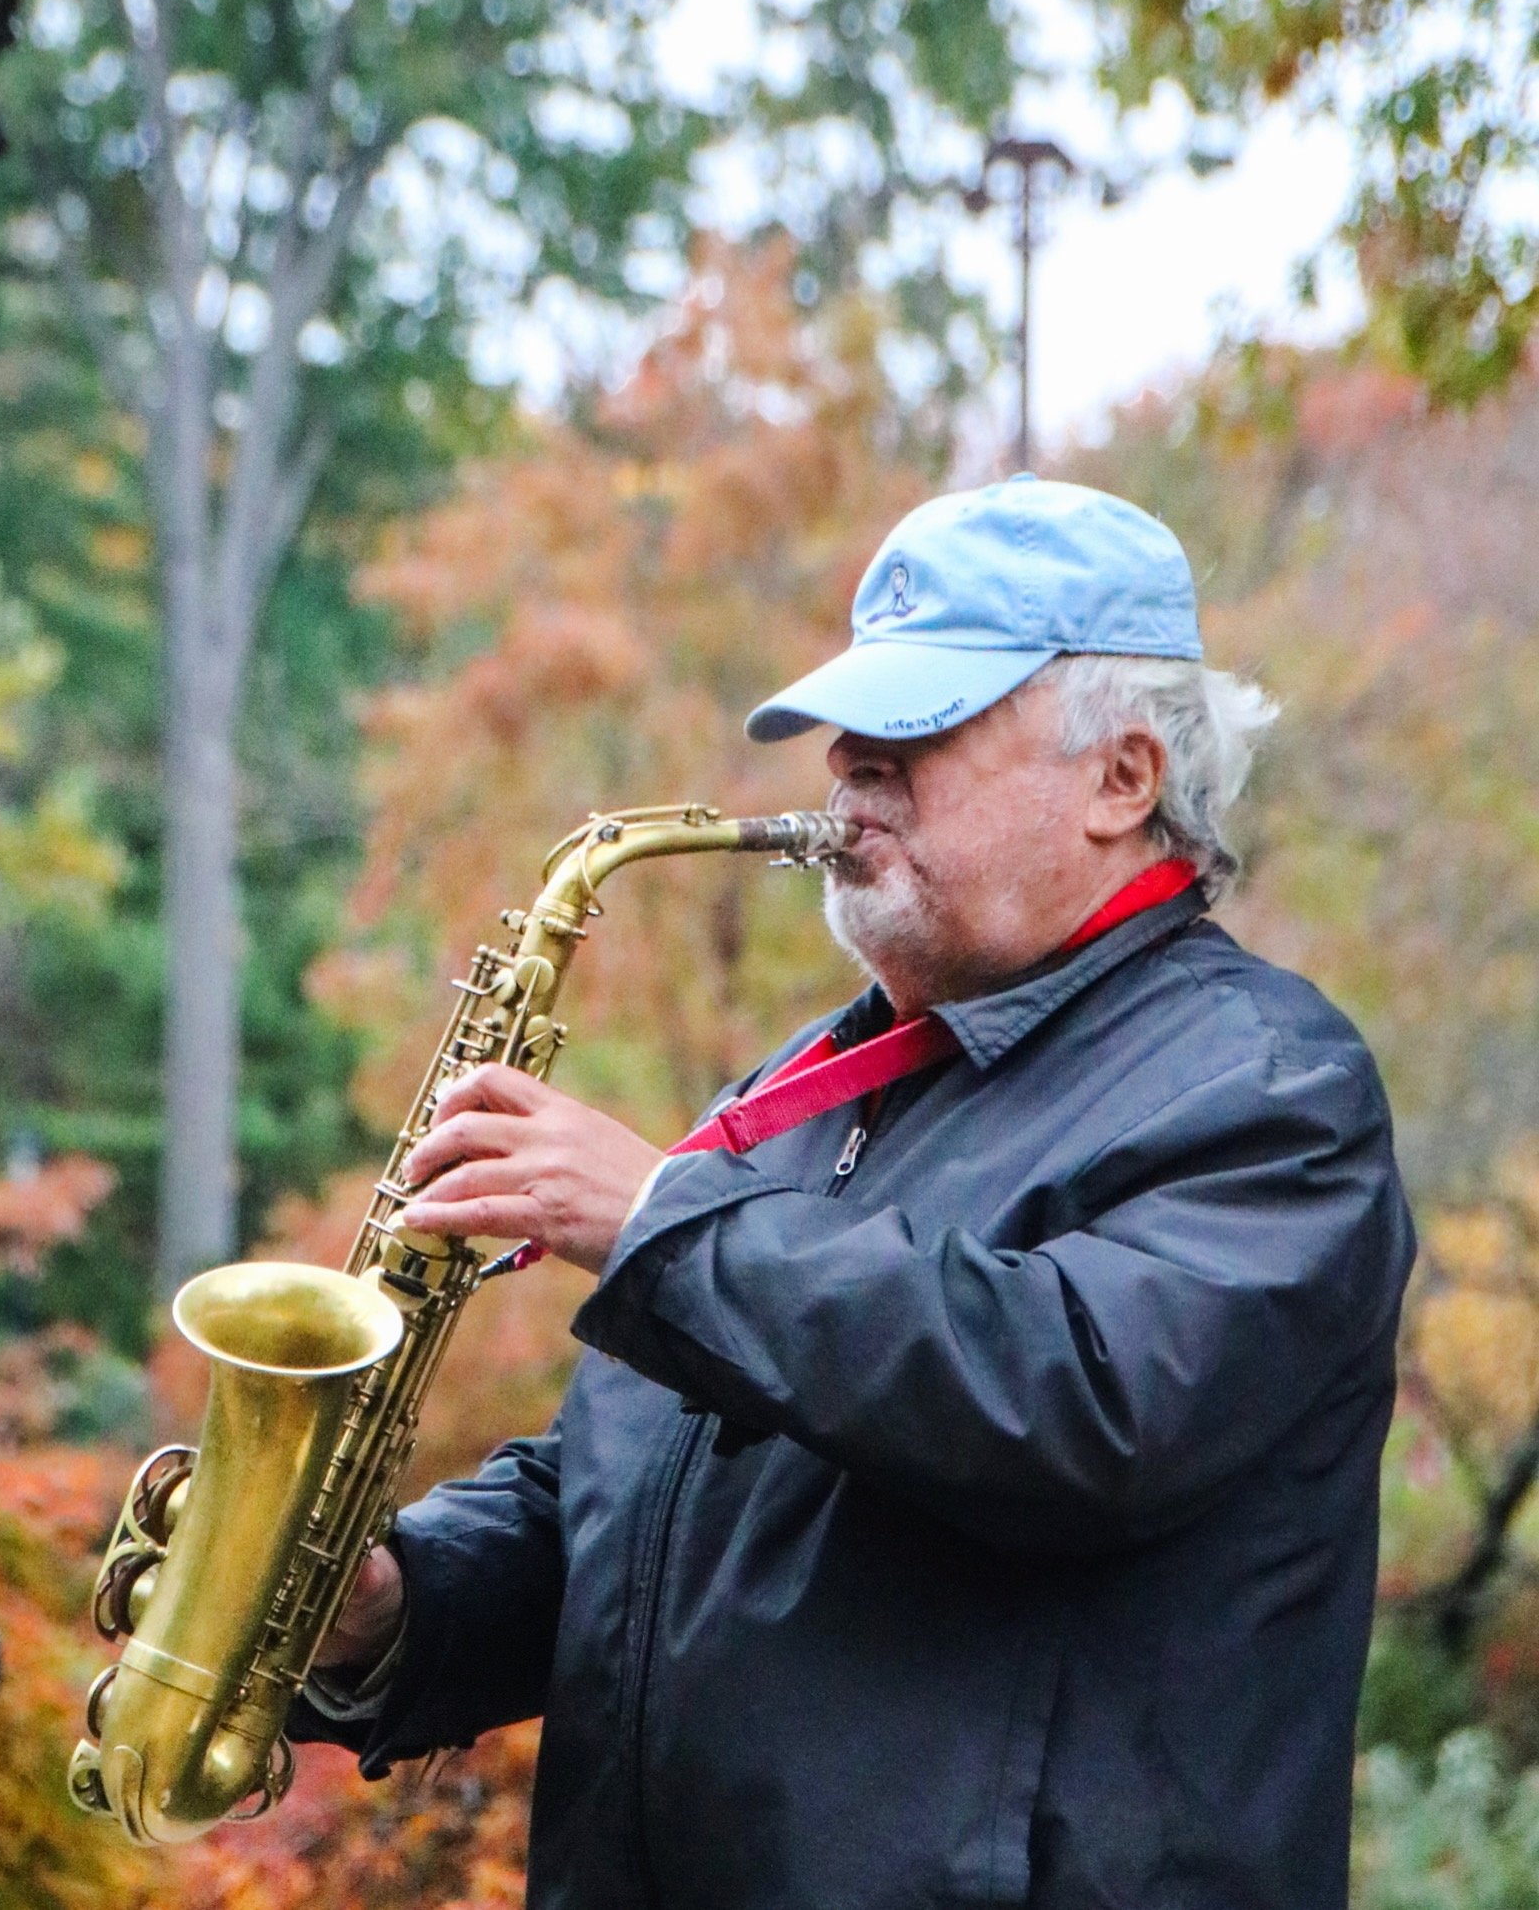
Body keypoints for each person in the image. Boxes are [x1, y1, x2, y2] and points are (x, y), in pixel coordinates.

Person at [296, 474, 1414, 1910]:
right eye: (849, 728)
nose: (845, 762)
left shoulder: (1264, 1085)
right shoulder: (809, 1080)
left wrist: (654, 1223)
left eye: (917, 727)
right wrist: (394, 1606)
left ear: (1122, 778)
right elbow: (634, 1494)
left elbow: (1071, 1406)